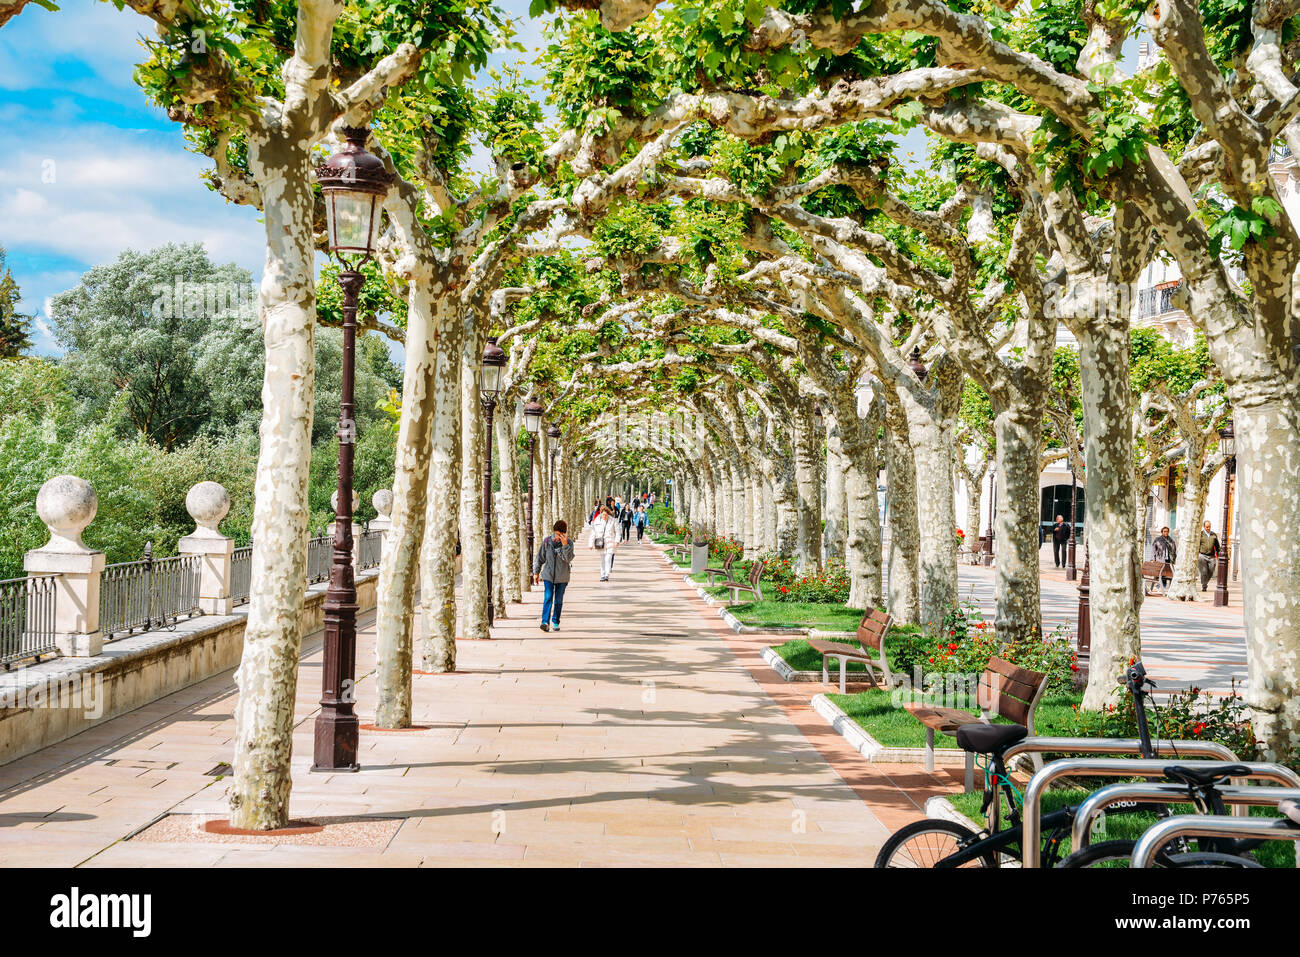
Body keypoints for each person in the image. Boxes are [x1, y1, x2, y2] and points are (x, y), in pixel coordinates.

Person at [532, 520, 574, 632]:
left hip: (562, 577)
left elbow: (568, 559)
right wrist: (536, 572)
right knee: (548, 597)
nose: (558, 536)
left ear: (564, 534)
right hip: (548, 576)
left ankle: (555, 621)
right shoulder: (547, 542)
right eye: (556, 534)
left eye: (561, 534)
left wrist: (564, 546)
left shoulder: (569, 543)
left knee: (558, 600)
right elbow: (539, 558)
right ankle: (545, 622)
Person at [589, 504, 619, 582]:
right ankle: (602, 575)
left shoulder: (613, 521)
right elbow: (593, 533)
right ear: (601, 514)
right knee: (602, 560)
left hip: (610, 543)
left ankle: (606, 575)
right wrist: (590, 544)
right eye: (603, 515)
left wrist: (617, 541)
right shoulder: (597, 521)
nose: (604, 516)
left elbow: (618, 532)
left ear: (608, 514)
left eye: (606, 515)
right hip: (600, 543)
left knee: (608, 559)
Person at [1198, 519, 1221, 592]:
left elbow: (1217, 546)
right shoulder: (1200, 534)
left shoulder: (1213, 535)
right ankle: (1204, 585)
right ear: (1204, 527)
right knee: (1204, 571)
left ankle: (1205, 582)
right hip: (1202, 555)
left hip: (1211, 556)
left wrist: (1218, 554)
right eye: (1207, 527)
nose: (1208, 528)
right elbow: (1197, 545)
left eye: (1209, 527)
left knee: (1211, 570)